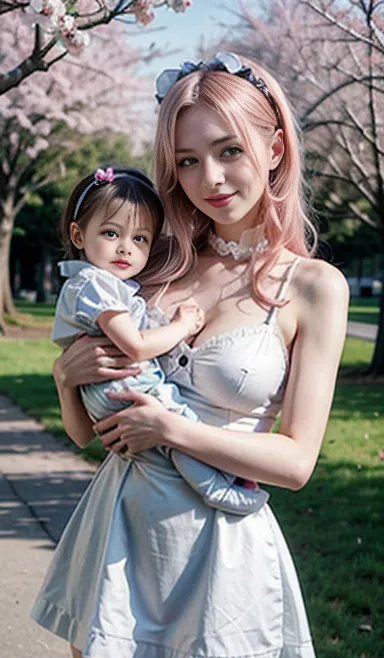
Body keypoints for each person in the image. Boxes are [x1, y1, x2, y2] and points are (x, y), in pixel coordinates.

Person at [31, 52, 349, 658]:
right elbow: (95, 434)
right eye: (188, 159)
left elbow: (297, 462)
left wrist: (171, 427)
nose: (210, 178)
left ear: (273, 147)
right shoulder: (154, 263)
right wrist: (63, 377)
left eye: (229, 150)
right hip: (118, 546)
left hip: (223, 561)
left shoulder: (314, 287)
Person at [52, 165, 267, 514]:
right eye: (110, 233)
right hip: (126, 385)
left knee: (172, 434)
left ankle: (221, 479)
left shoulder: (100, 285)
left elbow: (81, 436)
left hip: (103, 391)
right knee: (177, 421)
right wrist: (182, 326)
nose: (125, 249)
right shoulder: (95, 284)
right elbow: (135, 346)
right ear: (78, 236)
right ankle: (217, 486)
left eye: (139, 239)